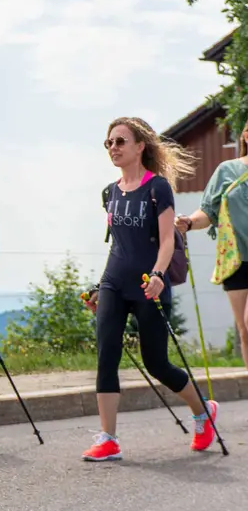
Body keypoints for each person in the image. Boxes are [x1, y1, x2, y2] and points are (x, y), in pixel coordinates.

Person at [80, 117, 220, 461]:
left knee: (156, 362)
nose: (113, 148)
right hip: (115, 283)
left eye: (120, 141)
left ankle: (203, 412)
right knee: (106, 355)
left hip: (149, 284)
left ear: (140, 146)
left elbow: (168, 239)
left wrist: (157, 275)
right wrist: (100, 286)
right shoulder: (109, 192)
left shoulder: (157, 188)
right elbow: (118, 246)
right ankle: (108, 438)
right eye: (109, 142)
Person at [175, 123, 248, 369]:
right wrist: (189, 222)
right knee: (244, 329)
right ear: (246, 136)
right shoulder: (227, 171)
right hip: (236, 260)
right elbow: (207, 211)